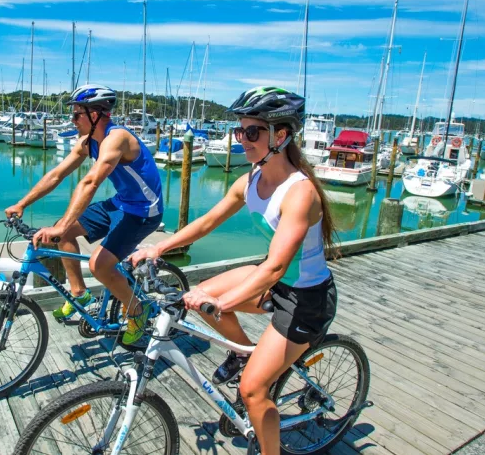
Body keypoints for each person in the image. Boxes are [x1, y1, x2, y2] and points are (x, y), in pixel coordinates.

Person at [130, 86, 338, 455]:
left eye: (252, 131)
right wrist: (159, 246)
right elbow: (208, 222)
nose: (242, 139)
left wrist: (218, 302)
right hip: (275, 282)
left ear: (282, 135)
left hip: (306, 299)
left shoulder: (299, 193)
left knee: (253, 391)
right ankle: (244, 352)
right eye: (239, 131)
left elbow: (274, 267)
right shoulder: (251, 180)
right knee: (203, 289)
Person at [5, 84, 164, 345]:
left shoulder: (118, 138)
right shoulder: (87, 143)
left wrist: (60, 226)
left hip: (144, 212)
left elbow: (90, 182)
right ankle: (80, 294)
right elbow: (56, 175)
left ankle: (138, 310)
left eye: (77, 114)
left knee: (98, 265)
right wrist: (22, 203)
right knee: (64, 232)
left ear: (97, 114)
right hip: (121, 204)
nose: (72, 119)